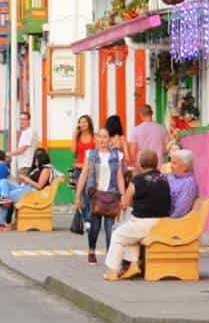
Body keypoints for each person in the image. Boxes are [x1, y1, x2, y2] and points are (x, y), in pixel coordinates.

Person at [102, 149, 173, 280]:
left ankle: (113, 270)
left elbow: (126, 202)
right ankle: (134, 264)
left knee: (118, 235)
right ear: (156, 163)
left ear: (140, 164)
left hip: (144, 223)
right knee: (129, 234)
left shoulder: (138, 180)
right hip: (163, 222)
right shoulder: (164, 178)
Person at [77, 115, 127, 264]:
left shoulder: (117, 155)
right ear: (96, 139)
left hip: (111, 195)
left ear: (109, 139)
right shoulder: (90, 155)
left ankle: (109, 255)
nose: (102, 139)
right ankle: (91, 251)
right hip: (94, 195)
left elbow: (119, 177)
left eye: (105, 137)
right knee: (94, 227)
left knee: (110, 228)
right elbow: (84, 175)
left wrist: (123, 196)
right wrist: (78, 196)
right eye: (100, 137)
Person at [69, 114, 98, 236]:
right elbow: (73, 151)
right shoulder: (78, 136)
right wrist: (74, 135)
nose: (82, 124)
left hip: (90, 170)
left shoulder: (94, 137)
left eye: (85, 122)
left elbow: (97, 153)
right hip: (78, 169)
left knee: (89, 195)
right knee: (81, 197)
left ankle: (90, 220)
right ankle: (87, 221)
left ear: (89, 123)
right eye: (80, 122)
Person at [128, 102, 167, 168]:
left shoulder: (135, 130)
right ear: (152, 113)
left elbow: (133, 152)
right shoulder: (162, 129)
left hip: (142, 166)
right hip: (158, 165)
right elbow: (167, 149)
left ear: (141, 115)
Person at [165, 147, 199, 220]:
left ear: (185, 167)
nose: (171, 166)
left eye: (174, 163)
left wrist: (166, 221)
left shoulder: (189, 183)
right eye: (171, 162)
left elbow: (181, 210)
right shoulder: (170, 176)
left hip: (174, 223)